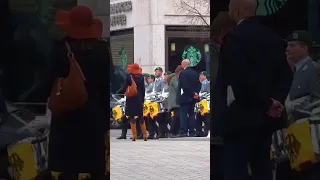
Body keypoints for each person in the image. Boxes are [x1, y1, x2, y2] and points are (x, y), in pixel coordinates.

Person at [19, 6, 110, 179]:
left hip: (67, 114)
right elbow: (105, 87)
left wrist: (33, 98)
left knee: (69, 166)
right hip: (93, 116)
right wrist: (104, 119)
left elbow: (47, 82)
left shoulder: (60, 48)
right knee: (94, 165)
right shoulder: (102, 49)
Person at [211, 0, 293, 180]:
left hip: (239, 117)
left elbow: (240, 78)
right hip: (266, 120)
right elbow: (286, 76)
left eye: (231, 8)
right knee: (262, 167)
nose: (230, 11)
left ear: (238, 11)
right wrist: (275, 101)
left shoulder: (234, 38)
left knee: (235, 169)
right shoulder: (273, 38)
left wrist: (266, 102)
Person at [117, 63, 147, 141]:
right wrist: (142, 100)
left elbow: (124, 87)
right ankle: (145, 135)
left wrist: (118, 93)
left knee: (131, 117)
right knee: (140, 116)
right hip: (139, 99)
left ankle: (134, 136)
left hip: (131, 99)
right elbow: (143, 90)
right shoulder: (141, 77)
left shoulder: (129, 77)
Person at [176, 59, 201, 137]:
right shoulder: (195, 73)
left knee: (183, 114)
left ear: (183, 64)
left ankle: (183, 131)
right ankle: (192, 131)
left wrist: (192, 93)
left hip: (185, 96)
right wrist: (196, 93)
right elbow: (199, 84)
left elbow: (184, 86)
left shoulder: (183, 73)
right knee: (192, 114)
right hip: (193, 98)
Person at [167, 66, 184, 138]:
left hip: (174, 100)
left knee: (177, 116)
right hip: (175, 101)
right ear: (180, 72)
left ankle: (175, 132)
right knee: (176, 117)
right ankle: (172, 132)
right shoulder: (175, 78)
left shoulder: (174, 78)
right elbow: (178, 88)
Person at [195, 71, 210, 137]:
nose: (200, 77)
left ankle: (206, 131)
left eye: (201, 75)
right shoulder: (202, 83)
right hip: (201, 102)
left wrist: (200, 95)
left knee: (205, 117)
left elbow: (208, 93)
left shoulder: (207, 83)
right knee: (198, 117)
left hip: (205, 102)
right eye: (200, 75)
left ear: (205, 76)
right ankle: (199, 131)